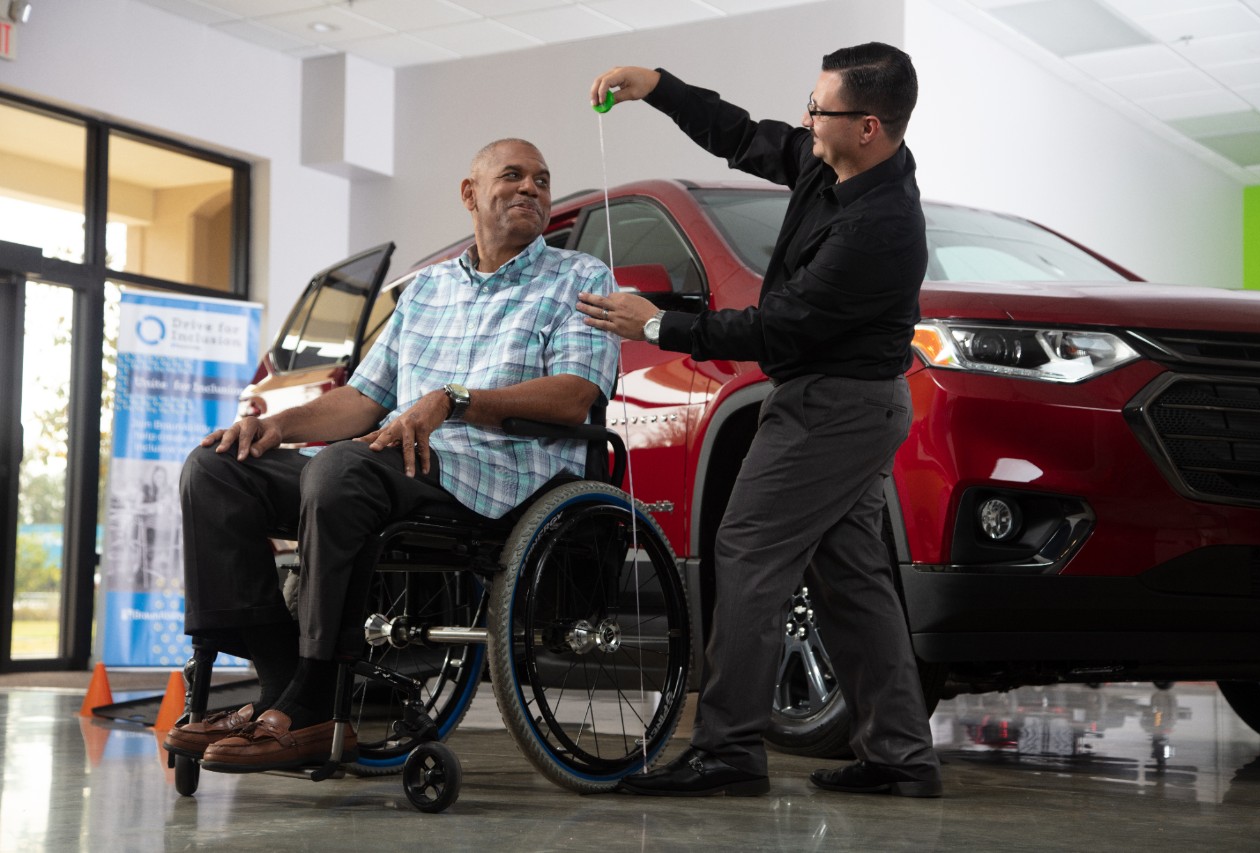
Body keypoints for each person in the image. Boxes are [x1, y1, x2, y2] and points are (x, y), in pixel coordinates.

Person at [164, 138, 619, 772]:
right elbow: (362, 399)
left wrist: (453, 401)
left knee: (342, 468)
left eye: (541, 180)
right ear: (470, 194)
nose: (530, 189)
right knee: (216, 468)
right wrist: (275, 425)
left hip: (501, 471)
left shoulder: (580, 277)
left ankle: (312, 700)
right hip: (395, 461)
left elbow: (575, 396)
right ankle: (283, 678)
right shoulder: (428, 289)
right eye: (512, 175)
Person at [578, 44, 942, 798]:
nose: (806, 119)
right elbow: (742, 135)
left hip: (833, 408)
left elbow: (779, 327)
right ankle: (901, 755)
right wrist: (658, 87)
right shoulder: (829, 165)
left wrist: (656, 326)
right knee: (852, 579)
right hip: (846, 403)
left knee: (747, 550)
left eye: (821, 110)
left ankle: (729, 751)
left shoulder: (881, 226)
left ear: (868, 126)